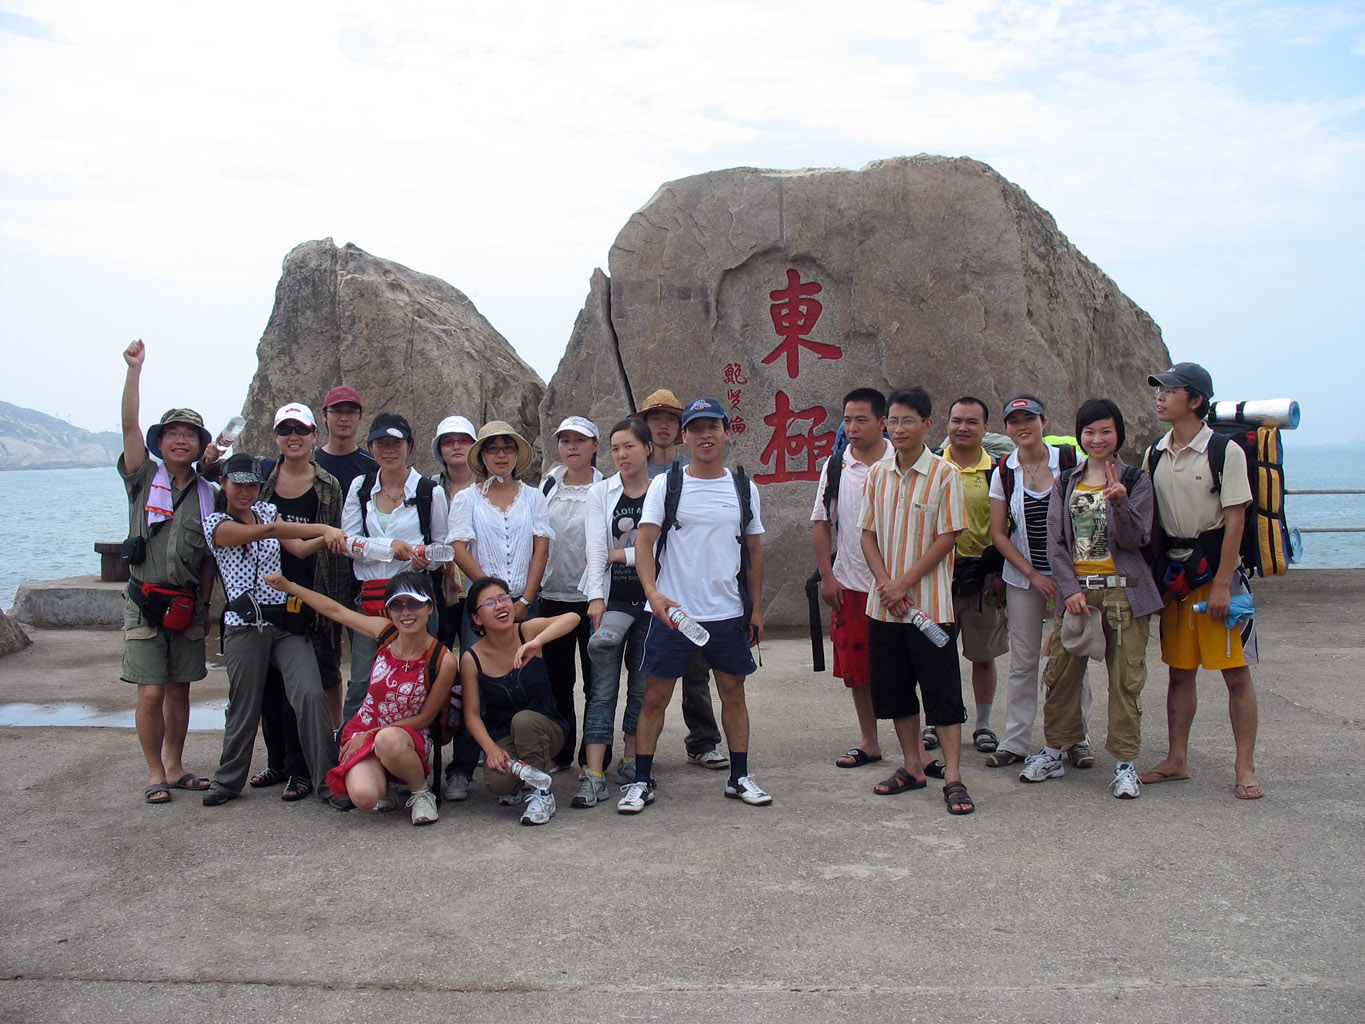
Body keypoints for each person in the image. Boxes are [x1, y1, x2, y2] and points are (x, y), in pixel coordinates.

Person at [622, 396, 768, 814]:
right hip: (673, 613)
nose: (705, 435)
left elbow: (754, 551)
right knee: (655, 697)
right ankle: (641, 780)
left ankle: (740, 776)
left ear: (727, 432)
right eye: (697, 428)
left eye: (713, 427)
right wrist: (653, 594)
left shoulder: (743, 488)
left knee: (733, 693)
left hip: (727, 612)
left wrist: (756, 609)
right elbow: (644, 543)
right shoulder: (666, 485)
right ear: (684, 436)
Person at [1022, 398, 1161, 798]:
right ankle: (1054, 751)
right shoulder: (1066, 481)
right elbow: (1055, 543)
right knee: (1061, 676)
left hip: (1125, 592)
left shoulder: (1135, 480)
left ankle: (1125, 763)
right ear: (1079, 435)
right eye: (1089, 431)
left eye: (1105, 431)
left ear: (1118, 434)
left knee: (1125, 681)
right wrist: (1069, 590)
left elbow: (1137, 539)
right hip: (1079, 593)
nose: (1097, 439)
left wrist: (1119, 501)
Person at [1140, 363, 1263, 799]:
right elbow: (1153, 521)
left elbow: (1235, 521)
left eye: (1170, 390)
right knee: (1179, 672)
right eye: (1159, 390)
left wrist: (1224, 585)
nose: (1160, 397)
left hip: (1217, 575)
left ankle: (1244, 765)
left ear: (1195, 400)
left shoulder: (1224, 451)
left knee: (1235, 674)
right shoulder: (1155, 453)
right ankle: (1176, 759)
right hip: (1177, 578)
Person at [200, 454, 346, 807]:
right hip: (244, 625)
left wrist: (332, 538)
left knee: (310, 694)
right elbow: (270, 533)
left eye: (253, 485)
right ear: (223, 483)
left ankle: (329, 783)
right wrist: (323, 528)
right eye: (238, 484)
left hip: (284, 623)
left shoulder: (267, 511)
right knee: (244, 705)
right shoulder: (216, 524)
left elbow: (298, 548)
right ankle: (227, 780)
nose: (246, 492)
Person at [858, 387, 975, 815]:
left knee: (942, 692)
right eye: (893, 420)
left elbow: (948, 537)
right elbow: (866, 534)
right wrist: (885, 584)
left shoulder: (945, 474)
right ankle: (912, 765)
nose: (899, 428)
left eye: (909, 420)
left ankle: (955, 776)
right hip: (884, 608)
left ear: (927, 425)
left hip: (930, 608)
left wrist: (903, 583)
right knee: (895, 692)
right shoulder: (877, 474)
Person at [267, 570, 456, 825]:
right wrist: (290, 586)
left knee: (388, 740)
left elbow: (425, 718)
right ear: (388, 610)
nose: (406, 612)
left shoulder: (442, 659)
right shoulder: (385, 633)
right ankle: (383, 781)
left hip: (406, 736)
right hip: (365, 728)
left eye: (414, 603)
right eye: (397, 605)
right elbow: (336, 611)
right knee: (364, 797)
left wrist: (373, 735)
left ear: (430, 607)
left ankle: (421, 792)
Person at [117, 340, 217, 805]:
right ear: (159, 443)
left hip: (186, 603)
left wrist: (204, 605)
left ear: (199, 447)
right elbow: (129, 425)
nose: (180, 440)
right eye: (173, 433)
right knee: (150, 692)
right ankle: (155, 771)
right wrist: (134, 371)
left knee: (180, 690)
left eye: (189, 435)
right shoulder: (143, 478)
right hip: (144, 601)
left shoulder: (208, 492)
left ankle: (175, 766)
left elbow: (208, 557)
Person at [242, 403, 350, 803]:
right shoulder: (261, 480)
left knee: (310, 685)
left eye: (301, 430)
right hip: (262, 595)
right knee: (269, 690)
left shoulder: (328, 485)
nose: (293, 437)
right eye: (285, 430)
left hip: (310, 594)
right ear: (275, 436)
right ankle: (278, 763)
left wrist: (333, 605)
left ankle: (302, 770)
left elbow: (335, 546)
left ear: (313, 435)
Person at [987, 395, 1093, 769]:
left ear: (1044, 422)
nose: (1022, 427)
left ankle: (1076, 737)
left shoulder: (1070, 461)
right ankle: (1015, 741)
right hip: (1022, 576)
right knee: (1023, 660)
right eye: (1014, 421)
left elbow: (1088, 517)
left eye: (1029, 419)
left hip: (1070, 578)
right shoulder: (1004, 471)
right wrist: (1032, 574)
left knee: (1072, 657)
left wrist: (1069, 578)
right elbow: (998, 533)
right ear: (1006, 428)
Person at [633, 387, 728, 773]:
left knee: (696, 670)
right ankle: (634, 755)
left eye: (670, 419)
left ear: (681, 429)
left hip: (685, 591)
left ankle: (702, 741)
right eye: (655, 419)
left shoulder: (694, 469)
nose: (663, 425)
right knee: (646, 679)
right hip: (637, 586)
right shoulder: (632, 467)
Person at [341, 412, 450, 724]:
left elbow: (442, 547)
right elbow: (348, 543)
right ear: (371, 447)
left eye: (396, 443)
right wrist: (390, 548)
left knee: (418, 680)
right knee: (361, 682)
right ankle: (349, 747)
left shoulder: (429, 491)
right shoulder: (361, 487)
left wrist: (425, 558)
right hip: (371, 600)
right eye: (381, 444)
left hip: (415, 600)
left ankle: (414, 744)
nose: (388, 450)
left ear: (409, 446)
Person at [811, 388, 894, 768]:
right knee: (858, 670)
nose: (852, 428)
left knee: (906, 667)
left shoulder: (900, 461)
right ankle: (869, 740)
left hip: (898, 586)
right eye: (847, 420)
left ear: (882, 422)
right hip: (851, 584)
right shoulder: (836, 466)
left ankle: (918, 744)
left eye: (861, 419)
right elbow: (820, 522)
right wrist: (828, 577)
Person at [576, 418, 654, 807]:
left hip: (651, 602)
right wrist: (595, 597)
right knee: (602, 690)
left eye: (629, 446)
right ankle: (593, 775)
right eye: (615, 448)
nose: (622, 454)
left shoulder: (662, 491)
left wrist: (619, 554)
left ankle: (631, 761)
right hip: (611, 600)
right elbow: (594, 548)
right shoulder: (600, 492)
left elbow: (663, 547)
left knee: (642, 688)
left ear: (648, 448)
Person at [460, 576, 580, 826]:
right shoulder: (472, 658)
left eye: (504, 598)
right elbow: (471, 713)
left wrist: (538, 641)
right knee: (498, 783)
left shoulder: (527, 631)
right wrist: (491, 749)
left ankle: (541, 793)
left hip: (547, 728)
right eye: (490, 603)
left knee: (524, 720)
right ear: (477, 618)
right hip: (506, 735)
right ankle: (522, 779)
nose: (501, 605)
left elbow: (572, 618)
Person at [936, 396, 1010, 756]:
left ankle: (983, 724)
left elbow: (1008, 525)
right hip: (939, 576)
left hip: (983, 577)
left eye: (971, 422)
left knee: (984, 655)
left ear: (985, 428)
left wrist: (1000, 572)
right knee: (936, 654)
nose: (962, 428)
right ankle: (937, 721)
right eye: (956, 421)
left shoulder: (998, 471)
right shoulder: (933, 466)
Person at [539, 416, 604, 769]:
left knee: (597, 682)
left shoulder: (606, 488)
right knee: (557, 680)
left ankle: (594, 756)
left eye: (579, 440)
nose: (572, 447)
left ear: (595, 445)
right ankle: (561, 751)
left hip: (595, 599)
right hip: (553, 596)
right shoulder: (548, 484)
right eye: (565, 441)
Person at [447, 421, 552, 633]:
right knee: (480, 655)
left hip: (525, 602)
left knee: (527, 653)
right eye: (493, 449)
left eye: (508, 448)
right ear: (482, 455)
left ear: (516, 454)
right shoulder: (467, 499)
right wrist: (493, 594)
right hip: (482, 604)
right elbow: (458, 549)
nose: (501, 455)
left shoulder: (533, 497)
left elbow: (541, 550)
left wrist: (525, 600)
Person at [428, 414, 480, 801]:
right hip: (438, 593)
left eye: (464, 439)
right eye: (449, 441)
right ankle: (424, 764)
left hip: (477, 591)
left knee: (475, 675)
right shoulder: (427, 489)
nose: (457, 446)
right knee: (431, 675)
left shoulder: (488, 487)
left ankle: (463, 765)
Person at [314, 385, 376, 498]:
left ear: (360, 416)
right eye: (337, 411)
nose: (344, 418)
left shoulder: (373, 467)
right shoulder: (311, 464)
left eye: (351, 412)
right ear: (324, 415)